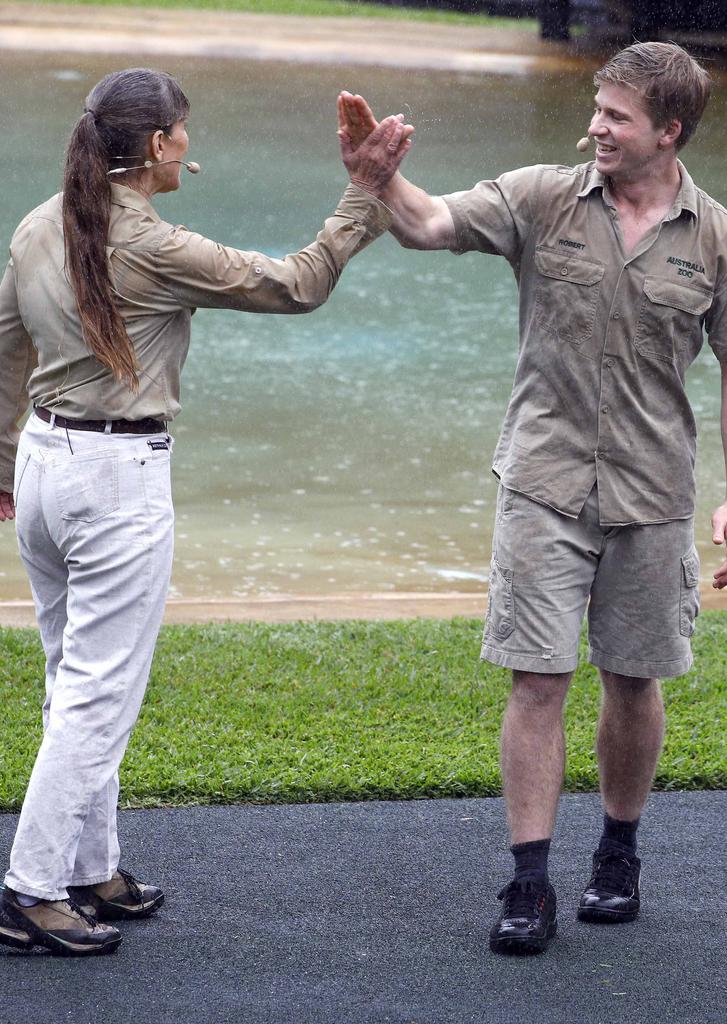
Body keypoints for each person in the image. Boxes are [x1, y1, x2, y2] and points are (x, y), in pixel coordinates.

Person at [337, 40, 727, 955]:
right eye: (597, 109)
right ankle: (528, 880)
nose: (595, 127)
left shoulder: (724, 240)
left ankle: (618, 852)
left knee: (634, 678)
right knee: (537, 678)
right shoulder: (540, 195)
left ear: (669, 130)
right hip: (542, 483)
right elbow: (429, 224)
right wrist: (377, 180)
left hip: (653, 494)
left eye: (616, 116)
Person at [0, 67, 411, 957]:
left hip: (40, 465)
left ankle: (90, 869)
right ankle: (30, 890)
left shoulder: (38, 222)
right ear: (156, 147)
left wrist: (2, 466)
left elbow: (7, 346)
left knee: (73, 680)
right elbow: (298, 283)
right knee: (96, 693)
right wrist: (363, 195)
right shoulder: (154, 245)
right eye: (184, 132)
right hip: (113, 480)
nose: (191, 144)